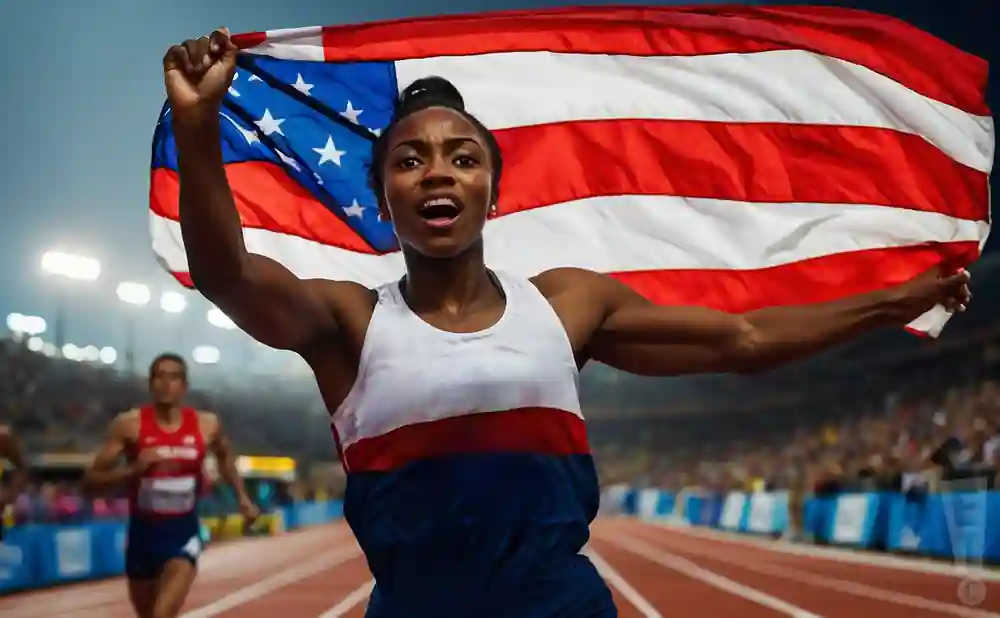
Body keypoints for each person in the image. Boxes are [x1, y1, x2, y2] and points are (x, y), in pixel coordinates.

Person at [162, 29, 972, 618]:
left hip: (558, 606)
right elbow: (228, 275)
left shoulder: (568, 306)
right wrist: (199, 130)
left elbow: (745, 342)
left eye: (462, 156)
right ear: (382, 202)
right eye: (409, 161)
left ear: (493, 191)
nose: (436, 169)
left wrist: (892, 303)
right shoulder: (350, 320)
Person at [84, 353, 258, 618]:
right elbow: (91, 482)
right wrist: (133, 471)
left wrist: (242, 498)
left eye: (174, 377)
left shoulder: (206, 425)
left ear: (185, 386)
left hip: (183, 535)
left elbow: (225, 458)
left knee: (161, 615)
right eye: (160, 377)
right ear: (150, 383)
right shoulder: (129, 425)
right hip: (142, 536)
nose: (166, 384)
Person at [0, 425, 27, 541]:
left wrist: (9, 494)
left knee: (9, 517)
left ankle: (8, 538)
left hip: (8, 504)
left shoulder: (16, 463)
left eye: (4, 440)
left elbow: (20, 476)